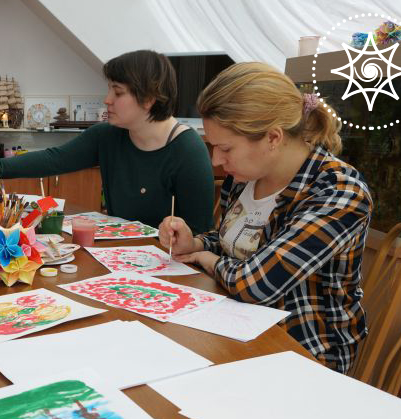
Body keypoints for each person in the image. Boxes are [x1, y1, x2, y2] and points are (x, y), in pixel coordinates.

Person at [159, 62, 371, 373]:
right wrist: (196, 243)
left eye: (225, 148)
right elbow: (237, 243)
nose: (216, 160)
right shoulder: (245, 176)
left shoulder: (339, 191)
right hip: (235, 323)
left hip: (304, 350)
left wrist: (207, 259)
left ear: (272, 137)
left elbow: (258, 283)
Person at [0, 50, 215, 233]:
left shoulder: (188, 150)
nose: (107, 99)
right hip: (118, 261)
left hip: (167, 273)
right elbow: (55, 158)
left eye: (117, 92)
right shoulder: (107, 135)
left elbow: (201, 235)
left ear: (149, 99)